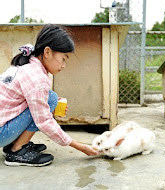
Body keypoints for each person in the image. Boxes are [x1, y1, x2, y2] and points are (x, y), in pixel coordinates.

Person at [0, 24, 99, 167]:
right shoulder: (37, 78)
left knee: (50, 98)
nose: (64, 65)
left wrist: (49, 102)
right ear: (47, 52)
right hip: (1, 132)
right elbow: (44, 121)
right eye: (63, 58)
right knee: (50, 99)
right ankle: (17, 151)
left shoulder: (28, 64)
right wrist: (79, 146)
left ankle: (16, 143)